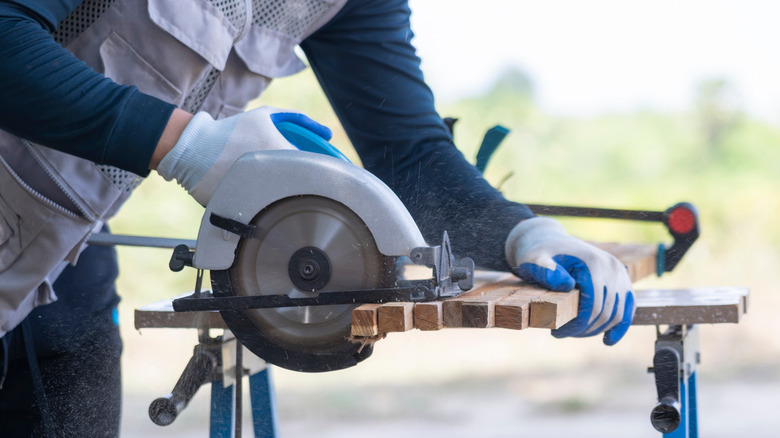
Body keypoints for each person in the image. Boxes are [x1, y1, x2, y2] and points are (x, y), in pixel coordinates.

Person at [0, 0, 635, 435]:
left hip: (60, 257)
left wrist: (522, 232)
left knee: (72, 361)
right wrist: (191, 147)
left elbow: (408, 155)